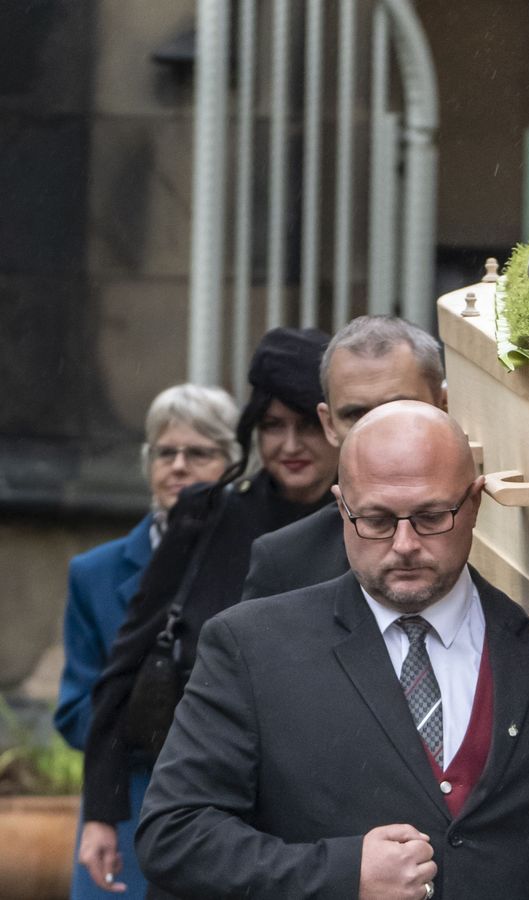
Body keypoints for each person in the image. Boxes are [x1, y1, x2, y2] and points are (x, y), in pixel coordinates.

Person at [133, 400, 529, 899]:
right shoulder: (252, 646)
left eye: (432, 516)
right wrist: (341, 874)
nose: (405, 543)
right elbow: (173, 833)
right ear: (340, 508)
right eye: (376, 520)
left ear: (475, 503)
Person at [78, 327, 340, 894]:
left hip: (328, 813)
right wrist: (102, 811)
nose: (290, 445)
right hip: (207, 812)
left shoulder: (372, 524)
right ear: (251, 431)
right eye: (273, 426)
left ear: (335, 425)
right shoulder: (207, 514)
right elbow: (123, 663)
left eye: (307, 425)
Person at [55, 383, 239, 900]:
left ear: (231, 464)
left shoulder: (259, 558)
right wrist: (145, 718)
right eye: (165, 452)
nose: (178, 465)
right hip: (126, 809)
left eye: (199, 452)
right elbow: (73, 712)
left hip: (229, 813)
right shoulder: (94, 573)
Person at [241, 315, 447, 602]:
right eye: (356, 415)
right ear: (328, 424)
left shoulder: (496, 535)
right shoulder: (284, 562)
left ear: (443, 406)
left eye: (398, 408)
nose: (378, 432)